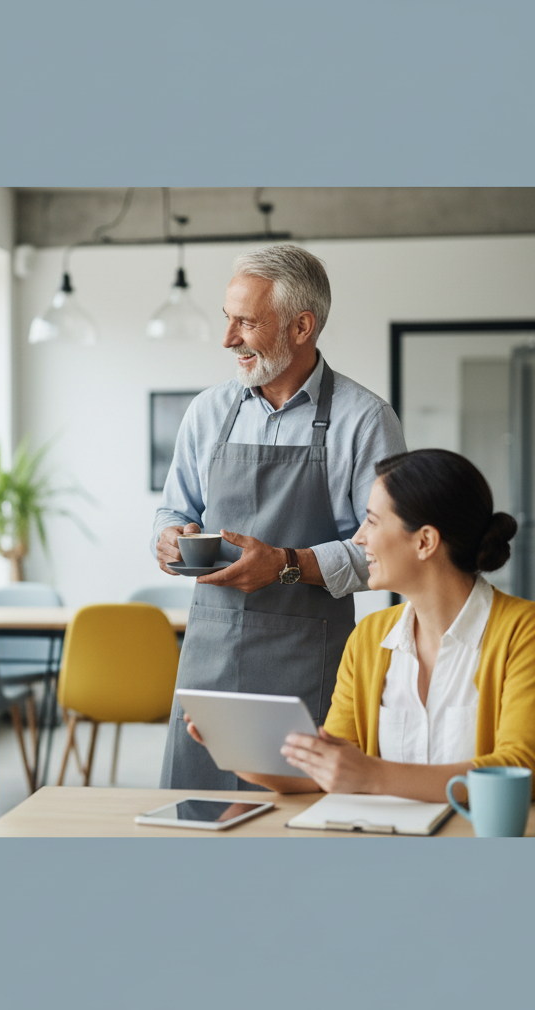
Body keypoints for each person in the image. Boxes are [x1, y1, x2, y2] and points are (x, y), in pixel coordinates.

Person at [154, 243, 407, 791]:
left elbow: (385, 550)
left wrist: (287, 564)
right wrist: (169, 535)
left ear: (301, 326)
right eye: (228, 319)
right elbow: (176, 507)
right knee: (195, 813)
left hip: (307, 664)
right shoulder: (207, 412)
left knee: (300, 823)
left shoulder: (365, 421)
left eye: (245, 323)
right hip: (209, 657)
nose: (227, 339)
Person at [183, 449, 535, 801]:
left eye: (372, 520)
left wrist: (373, 776)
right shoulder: (370, 637)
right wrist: (246, 756)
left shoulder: (524, 632)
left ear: (425, 541)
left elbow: (522, 769)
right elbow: (335, 771)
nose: (359, 537)